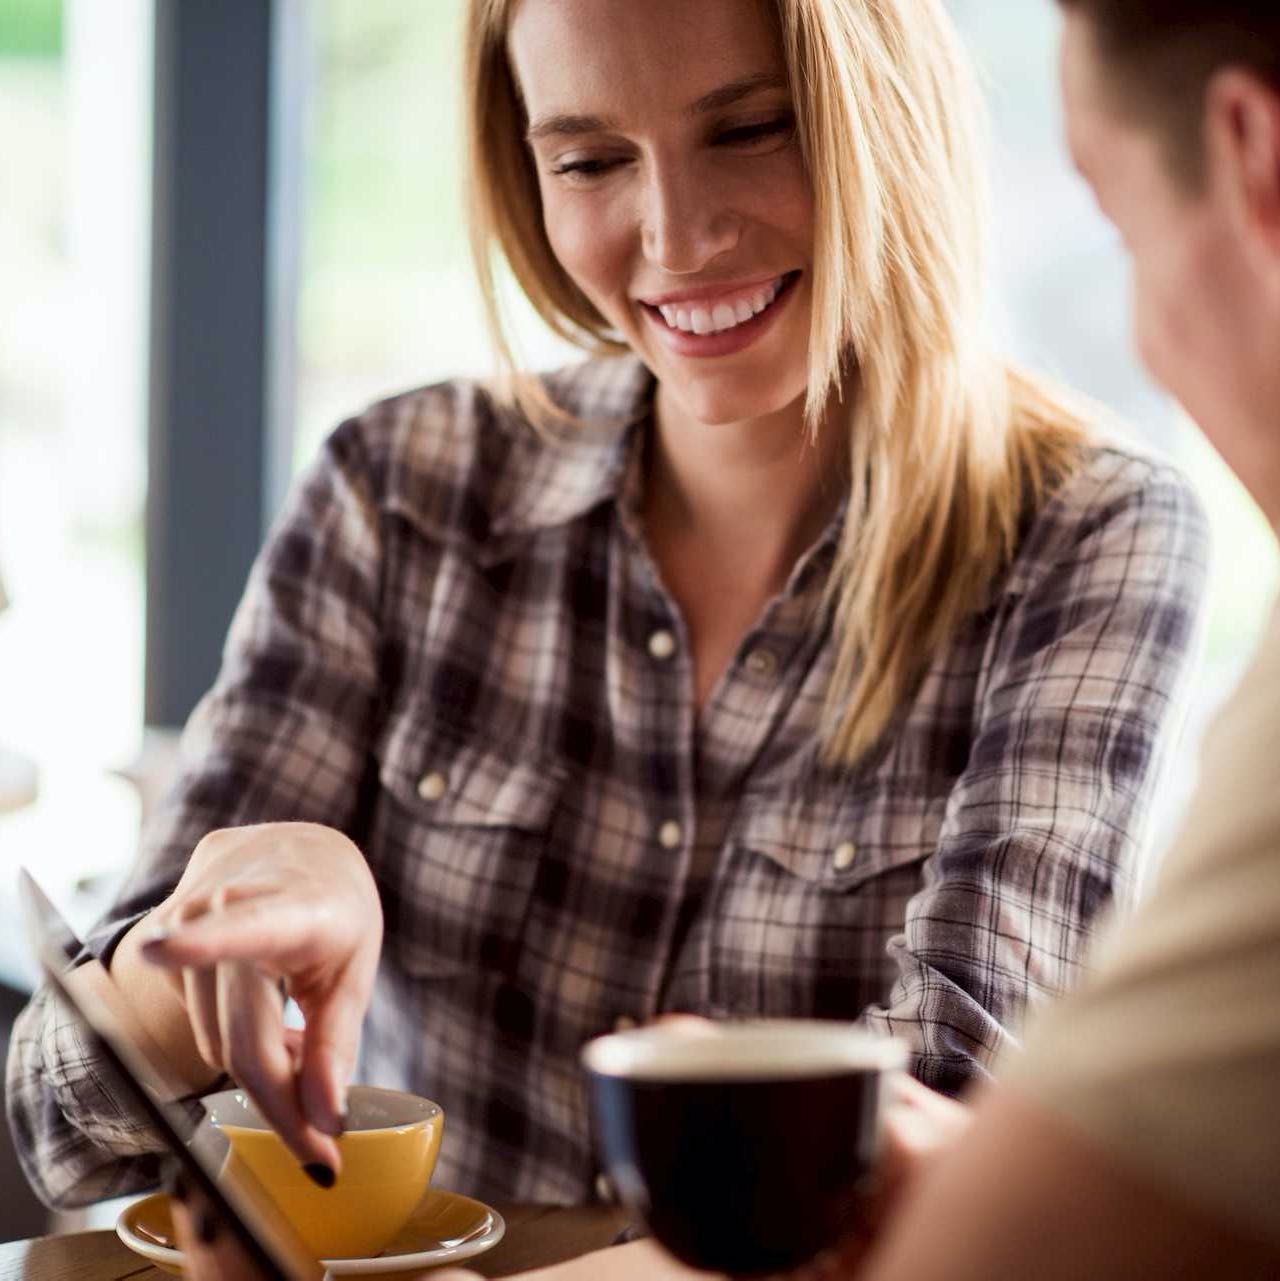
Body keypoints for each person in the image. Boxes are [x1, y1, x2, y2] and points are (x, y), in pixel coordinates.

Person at [7, 0, 1206, 1232]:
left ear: (881, 114)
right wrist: (210, 953)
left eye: (748, 130)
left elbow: (949, 1138)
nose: (676, 236)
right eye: (588, 160)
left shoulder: (1088, 531)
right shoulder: (398, 488)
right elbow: (59, 1124)